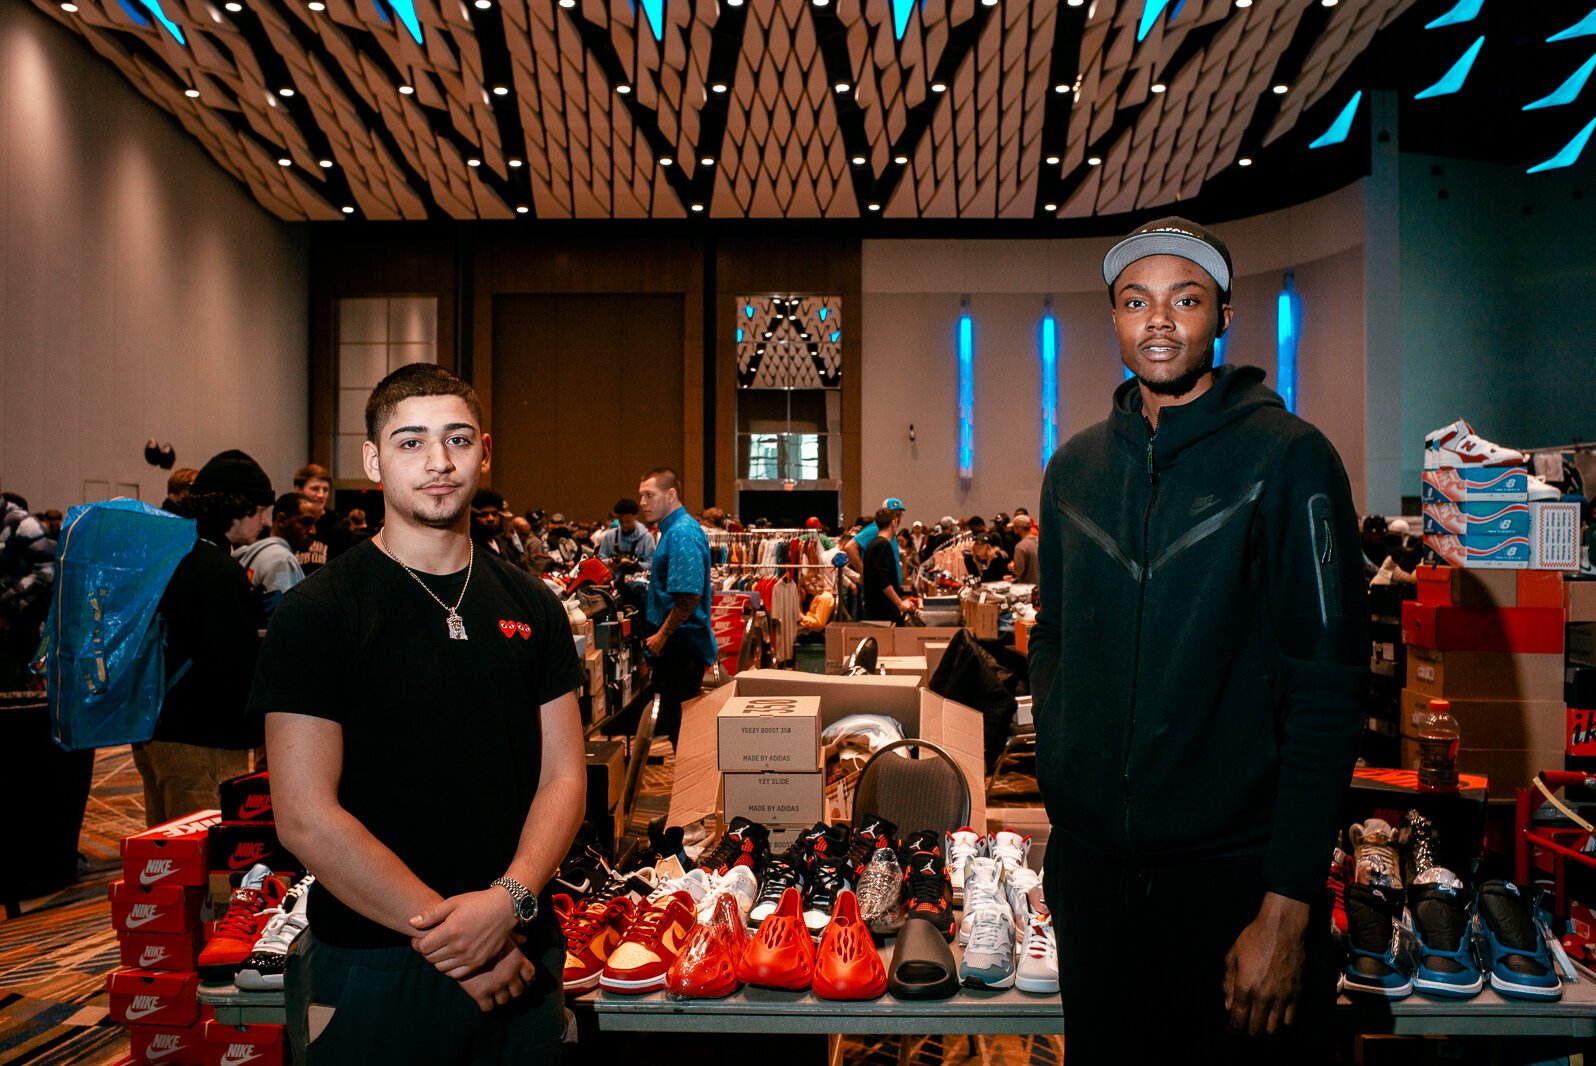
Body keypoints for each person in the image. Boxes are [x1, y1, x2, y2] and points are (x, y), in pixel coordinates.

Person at [1030, 217, 1364, 1062]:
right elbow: (1057, 643)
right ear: (1112, 319)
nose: (1160, 321)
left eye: (1186, 298)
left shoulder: (1290, 460)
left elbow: (1327, 691)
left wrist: (1288, 904)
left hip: (1232, 886)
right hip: (1095, 884)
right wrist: (1066, 815)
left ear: (1223, 315)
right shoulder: (1073, 470)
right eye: (1136, 300)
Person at [252, 364, 585, 1063]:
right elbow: (306, 815)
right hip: (376, 961)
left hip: (520, 946)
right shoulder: (319, 612)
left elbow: (562, 778)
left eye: (457, 439)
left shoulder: (533, 605)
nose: (438, 462)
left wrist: (508, 901)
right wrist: (459, 944)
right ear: (373, 460)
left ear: (484, 451)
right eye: (410, 442)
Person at [135, 450, 274, 826]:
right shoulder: (214, 568)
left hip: (158, 728)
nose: (265, 522)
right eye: (261, 510)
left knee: (166, 853)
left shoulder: (174, 552)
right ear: (236, 506)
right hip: (202, 737)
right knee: (203, 858)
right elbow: (231, 662)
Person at [637, 468, 716, 748]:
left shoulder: (681, 533)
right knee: (677, 723)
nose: (643, 502)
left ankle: (688, 786)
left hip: (680, 645)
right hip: (678, 644)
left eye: (650, 495)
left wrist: (662, 635)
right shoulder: (674, 530)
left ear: (670, 495)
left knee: (681, 724)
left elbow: (688, 597)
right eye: (641, 496)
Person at [234, 492, 316, 621]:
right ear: (282, 521)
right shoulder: (282, 561)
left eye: (315, 524)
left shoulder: (255, 553)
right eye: (306, 522)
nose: (313, 531)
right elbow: (285, 623)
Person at [861, 508, 916, 622]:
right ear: (893, 523)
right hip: (883, 611)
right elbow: (882, 580)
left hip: (873, 608)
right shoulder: (883, 545)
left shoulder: (872, 544)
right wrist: (900, 603)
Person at [293, 464, 334, 576]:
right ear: (298, 490)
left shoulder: (335, 523)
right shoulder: (290, 522)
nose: (321, 495)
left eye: (325, 490)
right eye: (315, 489)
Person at [595, 497, 655, 571]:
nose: (624, 525)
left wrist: (633, 564)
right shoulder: (609, 536)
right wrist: (609, 562)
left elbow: (652, 564)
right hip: (613, 580)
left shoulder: (647, 538)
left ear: (635, 516)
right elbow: (600, 560)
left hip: (637, 580)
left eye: (627, 521)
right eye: (621, 521)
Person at [1008, 514, 1039, 584]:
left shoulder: (1020, 546)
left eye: (1014, 527)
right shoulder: (1040, 541)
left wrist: (1011, 567)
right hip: (1041, 586)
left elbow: (1019, 571)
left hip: (1028, 587)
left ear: (1019, 529)